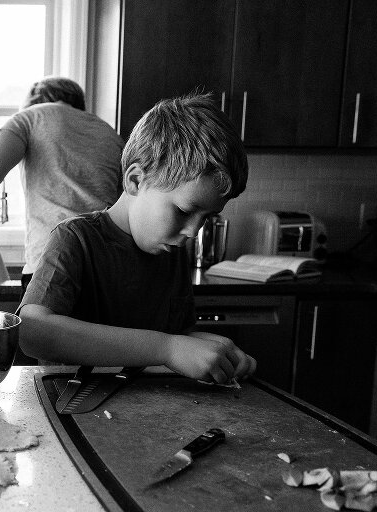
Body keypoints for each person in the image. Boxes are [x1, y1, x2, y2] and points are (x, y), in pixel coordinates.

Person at [18, 93, 256, 384]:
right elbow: (33, 332)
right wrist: (166, 349)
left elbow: (178, 336)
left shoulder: (172, 251)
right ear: (135, 181)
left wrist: (217, 352)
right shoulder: (75, 238)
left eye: (206, 218)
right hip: (72, 408)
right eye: (183, 211)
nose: (193, 232)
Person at [0, 76, 125, 293]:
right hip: (108, 267)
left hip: (52, 263)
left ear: (33, 102)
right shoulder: (111, 135)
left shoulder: (30, 118)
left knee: (44, 327)